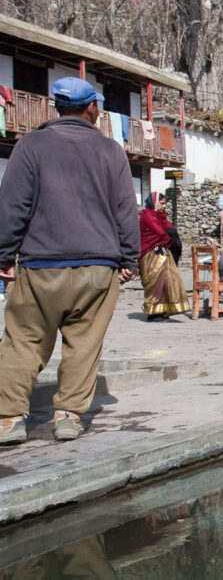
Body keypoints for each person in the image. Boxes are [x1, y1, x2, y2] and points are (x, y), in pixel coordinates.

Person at [0, 77, 138, 444]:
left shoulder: (31, 145)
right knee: (84, 342)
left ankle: (9, 418)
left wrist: (3, 255)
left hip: (41, 264)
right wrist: (130, 258)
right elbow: (126, 209)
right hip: (98, 267)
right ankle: (69, 416)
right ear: (91, 107)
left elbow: (13, 206)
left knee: (23, 340)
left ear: (56, 106)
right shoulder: (111, 151)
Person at [139, 192, 190, 321]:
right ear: (154, 202)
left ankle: (164, 310)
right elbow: (160, 232)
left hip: (162, 252)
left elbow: (169, 228)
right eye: (161, 203)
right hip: (151, 254)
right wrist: (169, 238)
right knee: (155, 283)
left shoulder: (159, 216)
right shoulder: (148, 215)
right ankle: (153, 312)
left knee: (167, 281)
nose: (164, 206)